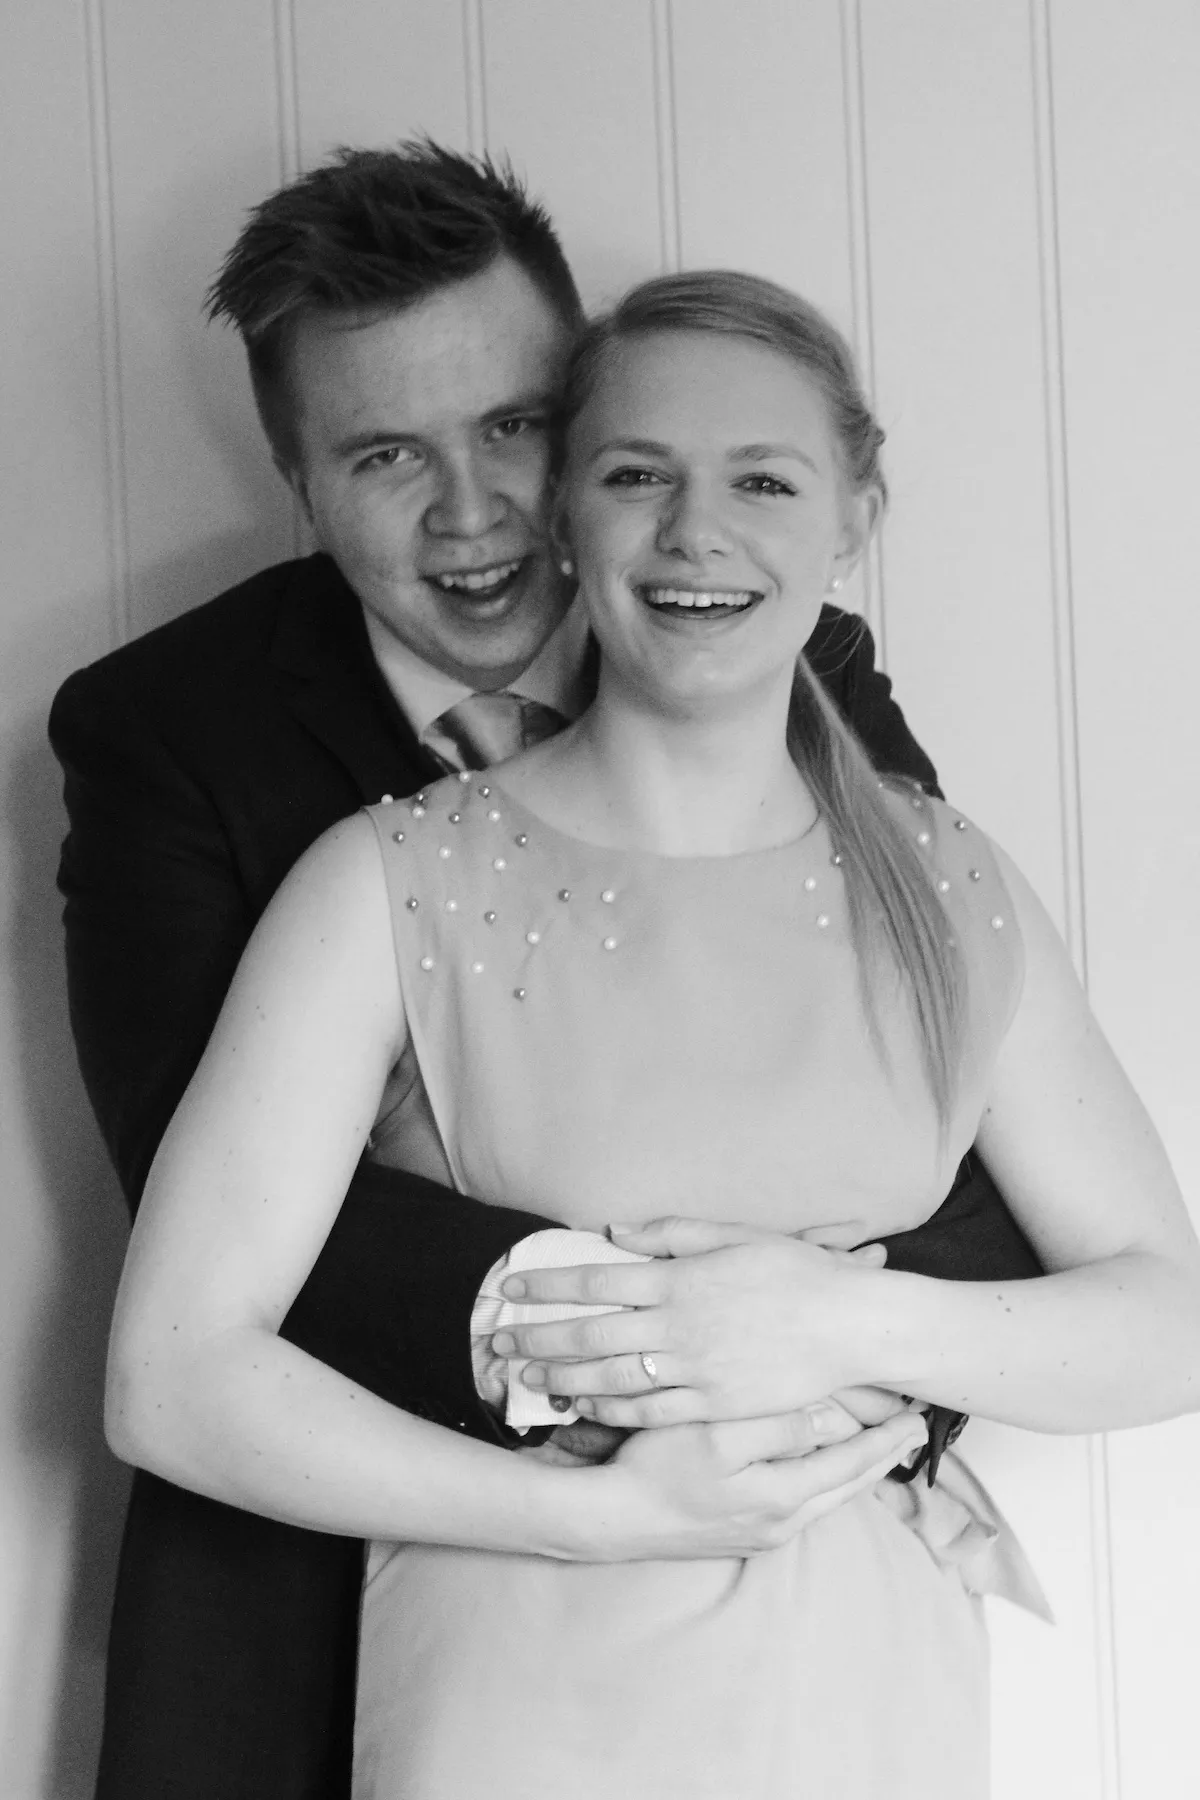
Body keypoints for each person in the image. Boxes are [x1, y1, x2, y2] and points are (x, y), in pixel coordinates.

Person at [104, 269, 1200, 1800]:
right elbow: (170, 1382)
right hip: (517, 1696)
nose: (697, 531)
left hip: (867, 1695)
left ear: (856, 513)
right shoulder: (383, 883)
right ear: (567, 516)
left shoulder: (952, 881)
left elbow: (1165, 1319)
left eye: (764, 480)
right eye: (637, 476)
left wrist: (836, 1321)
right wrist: (593, 1518)